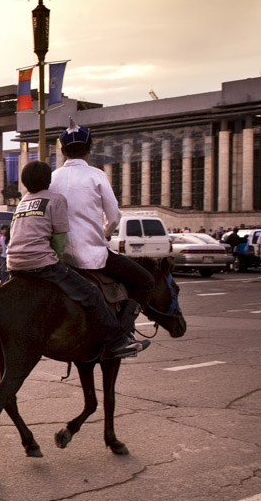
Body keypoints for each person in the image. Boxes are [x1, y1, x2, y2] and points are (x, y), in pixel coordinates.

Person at [8, 161, 148, 359]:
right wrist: (59, 262)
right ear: (48, 181)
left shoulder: (23, 202)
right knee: (91, 293)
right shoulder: (55, 199)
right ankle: (118, 341)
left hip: (13, 264)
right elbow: (59, 240)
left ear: (24, 183)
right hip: (42, 265)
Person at [48, 122, 156, 337]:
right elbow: (115, 216)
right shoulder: (96, 175)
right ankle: (123, 332)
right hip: (92, 255)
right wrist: (106, 233)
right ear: (90, 149)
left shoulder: (52, 178)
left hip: (57, 256)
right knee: (146, 281)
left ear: (62, 151)